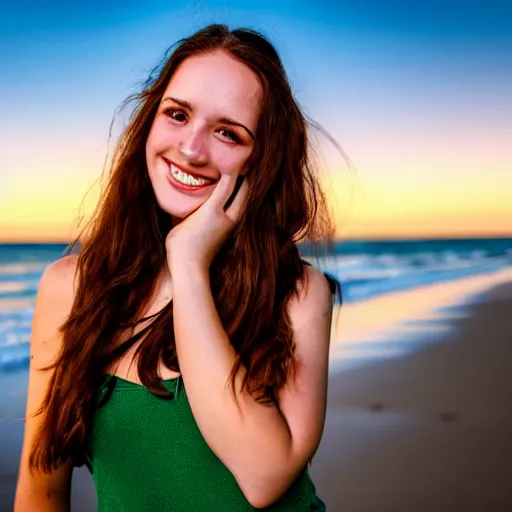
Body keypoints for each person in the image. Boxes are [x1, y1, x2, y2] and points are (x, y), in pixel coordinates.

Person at [14, 24, 340, 511]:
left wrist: (187, 264)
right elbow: (40, 491)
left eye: (228, 132)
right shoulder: (70, 288)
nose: (190, 148)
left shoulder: (298, 292)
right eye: (177, 114)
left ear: (263, 161)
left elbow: (265, 476)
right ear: (151, 121)